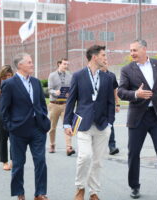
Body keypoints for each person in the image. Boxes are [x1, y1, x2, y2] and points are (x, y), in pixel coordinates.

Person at [117, 40, 157, 200]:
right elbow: (121, 92)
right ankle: (134, 186)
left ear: (144, 49)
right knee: (134, 153)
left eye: (135, 50)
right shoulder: (126, 69)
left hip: (156, 115)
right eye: (130, 50)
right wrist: (136, 94)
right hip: (137, 117)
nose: (132, 53)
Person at [63, 45, 115, 200]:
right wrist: (67, 123)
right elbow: (71, 100)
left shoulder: (108, 78)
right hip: (82, 122)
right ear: (94, 57)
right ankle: (80, 188)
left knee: (97, 161)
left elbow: (111, 102)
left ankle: (94, 192)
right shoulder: (78, 76)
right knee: (85, 157)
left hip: (102, 125)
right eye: (103, 55)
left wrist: (110, 123)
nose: (106, 58)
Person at [0, 53, 51, 200]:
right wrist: (11, 127)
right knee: (18, 164)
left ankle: (40, 193)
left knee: (40, 161)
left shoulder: (36, 82)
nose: (32, 64)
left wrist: (43, 119)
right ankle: (19, 193)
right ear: (20, 65)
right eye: (29, 62)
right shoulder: (9, 84)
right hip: (18, 130)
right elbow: (4, 111)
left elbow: (41, 104)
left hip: (38, 129)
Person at [47, 58, 75, 156]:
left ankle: (69, 147)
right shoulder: (52, 75)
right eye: (64, 64)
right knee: (52, 127)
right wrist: (55, 92)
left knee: (67, 126)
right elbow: (49, 89)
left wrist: (69, 93)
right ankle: (52, 144)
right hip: (54, 104)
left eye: (67, 64)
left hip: (65, 105)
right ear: (59, 64)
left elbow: (72, 88)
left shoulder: (70, 76)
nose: (66, 66)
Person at [100, 64, 120, 155]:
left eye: (106, 62)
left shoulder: (112, 75)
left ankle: (112, 146)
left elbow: (115, 90)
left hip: (110, 105)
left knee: (110, 125)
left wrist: (117, 103)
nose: (105, 64)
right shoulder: (96, 75)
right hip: (98, 105)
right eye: (103, 63)